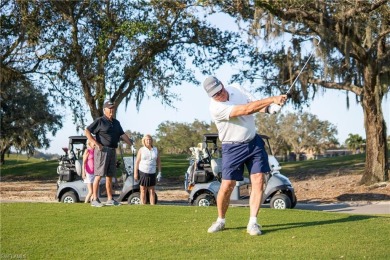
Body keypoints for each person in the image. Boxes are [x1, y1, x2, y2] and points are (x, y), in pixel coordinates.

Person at [203, 76, 287, 235]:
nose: (220, 94)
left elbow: (254, 104)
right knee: (227, 185)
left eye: (220, 90)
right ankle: (220, 219)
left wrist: (270, 108)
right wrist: (272, 99)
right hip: (232, 147)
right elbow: (246, 110)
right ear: (211, 96)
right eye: (215, 94)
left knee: (258, 179)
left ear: (222, 83)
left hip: (253, 142)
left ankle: (253, 222)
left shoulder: (236, 88)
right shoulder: (215, 108)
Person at [85, 100, 133, 207]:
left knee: (109, 176)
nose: (112, 110)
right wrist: (95, 142)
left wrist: (131, 144)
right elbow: (87, 131)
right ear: (104, 110)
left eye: (113, 108)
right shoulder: (100, 121)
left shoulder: (116, 123)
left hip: (112, 150)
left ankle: (110, 199)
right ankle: (94, 199)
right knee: (98, 175)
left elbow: (123, 134)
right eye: (109, 108)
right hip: (102, 150)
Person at [134, 134, 161, 205]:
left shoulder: (155, 149)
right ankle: (143, 205)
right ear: (144, 141)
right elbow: (137, 162)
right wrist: (135, 173)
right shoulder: (141, 150)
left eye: (150, 139)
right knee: (143, 190)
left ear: (152, 141)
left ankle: (152, 206)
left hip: (152, 172)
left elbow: (158, 161)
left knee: (152, 190)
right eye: (147, 140)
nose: (148, 141)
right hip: (143, 172)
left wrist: (160, 172)